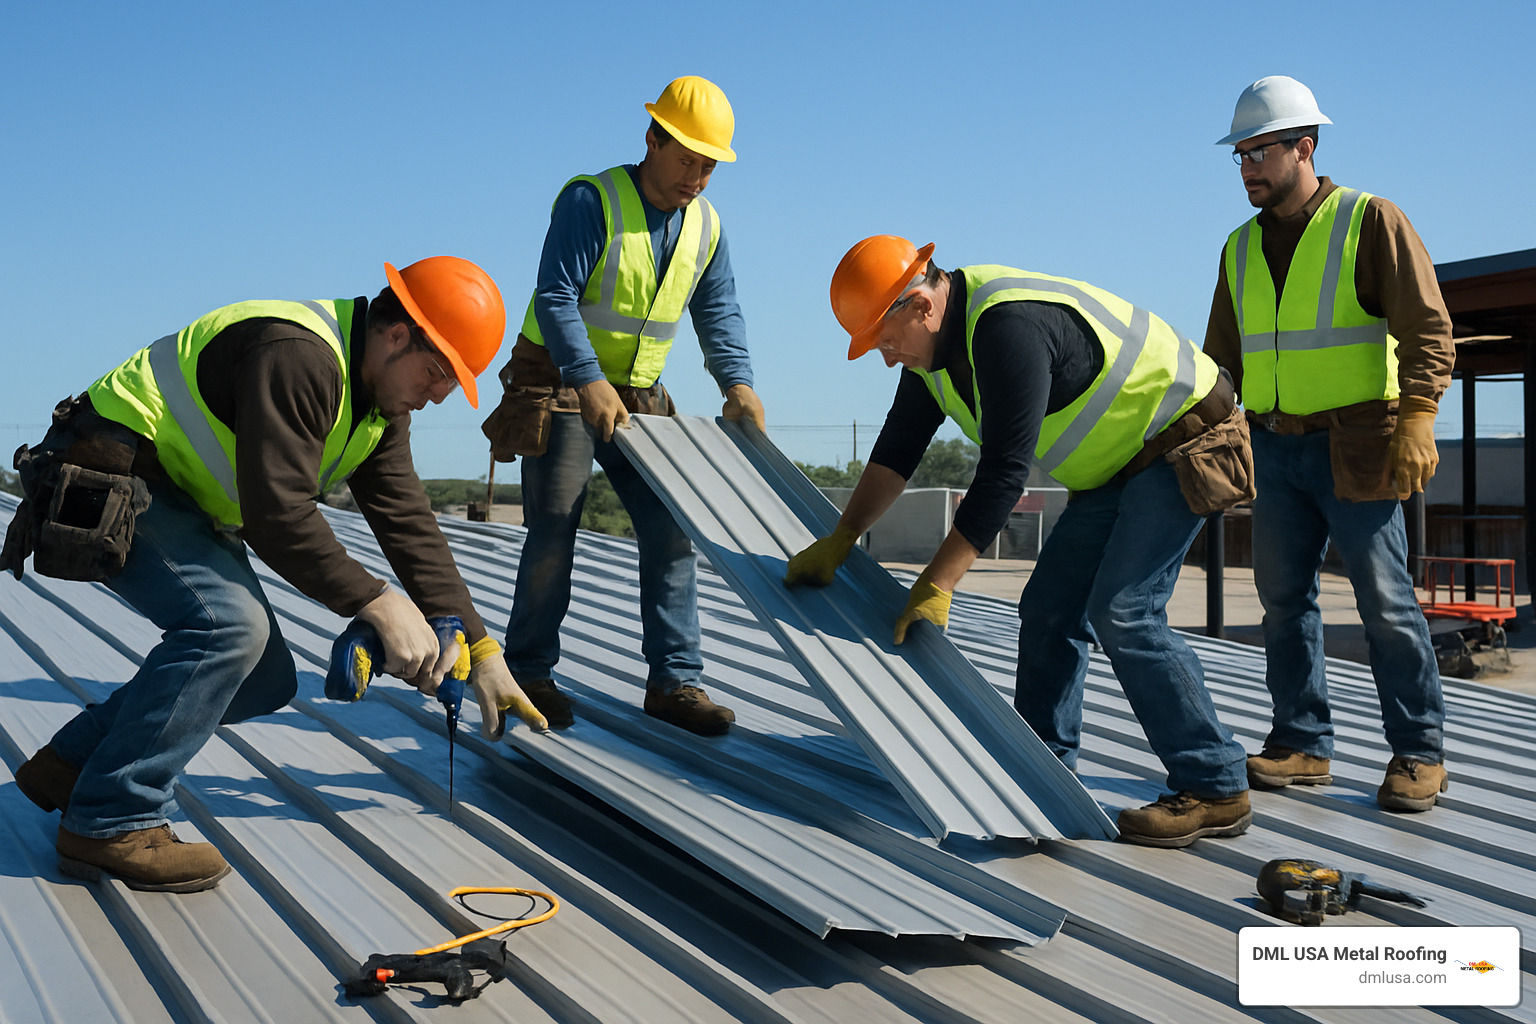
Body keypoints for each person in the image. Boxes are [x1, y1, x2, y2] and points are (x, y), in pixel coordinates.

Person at [3, 257, 549, 892]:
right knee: (228, 630)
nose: (437, 396)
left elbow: (407, 521)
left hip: (173, 495)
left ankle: (73, 766)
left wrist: (482, 650)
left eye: (451, 385)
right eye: (437, 372)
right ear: (396, 334)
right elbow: (276, 515)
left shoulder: (376, 407)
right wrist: (376, 602)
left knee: (265, 679)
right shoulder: (300, 356)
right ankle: (111, 821)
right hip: (110, 471)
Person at [785, 235, 1256, 847]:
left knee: (1124, 611)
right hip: (1116, 469)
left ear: (920, 307)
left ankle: (1216, 783)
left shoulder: (1006, 329)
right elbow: (897, 451)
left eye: (885, 339)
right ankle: (1044, 771)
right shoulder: (935, 358)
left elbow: (1004, 472)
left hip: (1184, 439)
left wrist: (937, 583)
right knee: (1048, 609)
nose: (885, 357)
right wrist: (843, 537)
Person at [482, 76, 764, 736]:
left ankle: (675, 683)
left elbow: (718, 310)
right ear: (652, 140)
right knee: (554, 528)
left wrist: (737, 383)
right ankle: (528, 673)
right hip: (558, 379)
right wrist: (586, 378)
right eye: (689, 158)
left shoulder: (707, 226)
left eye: (710, 165)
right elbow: (556, 297)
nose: (698, 176)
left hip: (638, 391)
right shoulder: (592, 200)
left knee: (671, 531)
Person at [1204, 76, 1454, 812]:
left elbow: (1427, 326)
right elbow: (1223, 363)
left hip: (1361, 443)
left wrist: (1419, 415)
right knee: (1283, 602)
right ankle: (1302, 743)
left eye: (1260, 152)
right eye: (1240, 155)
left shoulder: (1369, 220)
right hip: (1274, 450)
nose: (1248, 168)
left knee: (1386, 603)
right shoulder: (1238, 248)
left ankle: (1419, 751)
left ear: (1303, 147)